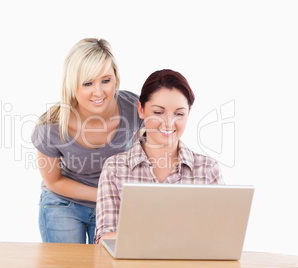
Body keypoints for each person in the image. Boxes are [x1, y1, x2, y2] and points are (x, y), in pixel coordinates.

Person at [31, 38, 144, 244]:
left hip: (113, 205)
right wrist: (105, 194)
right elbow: (54, 181)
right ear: (72, 85)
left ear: (116, 78)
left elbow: (148, 153)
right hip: (64, 203)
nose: (99, 92)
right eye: (87, 83)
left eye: (106, 80)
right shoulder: (50, 126)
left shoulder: (134, 109)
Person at [94, 69, 225, 244]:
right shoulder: (115, 169)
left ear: (189, 112)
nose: (168, 122)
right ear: (141, 109)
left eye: (179, 113)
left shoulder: (208, 169)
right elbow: (105, 239)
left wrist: (141, 235)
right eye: (158, 112)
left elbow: (223, 237)